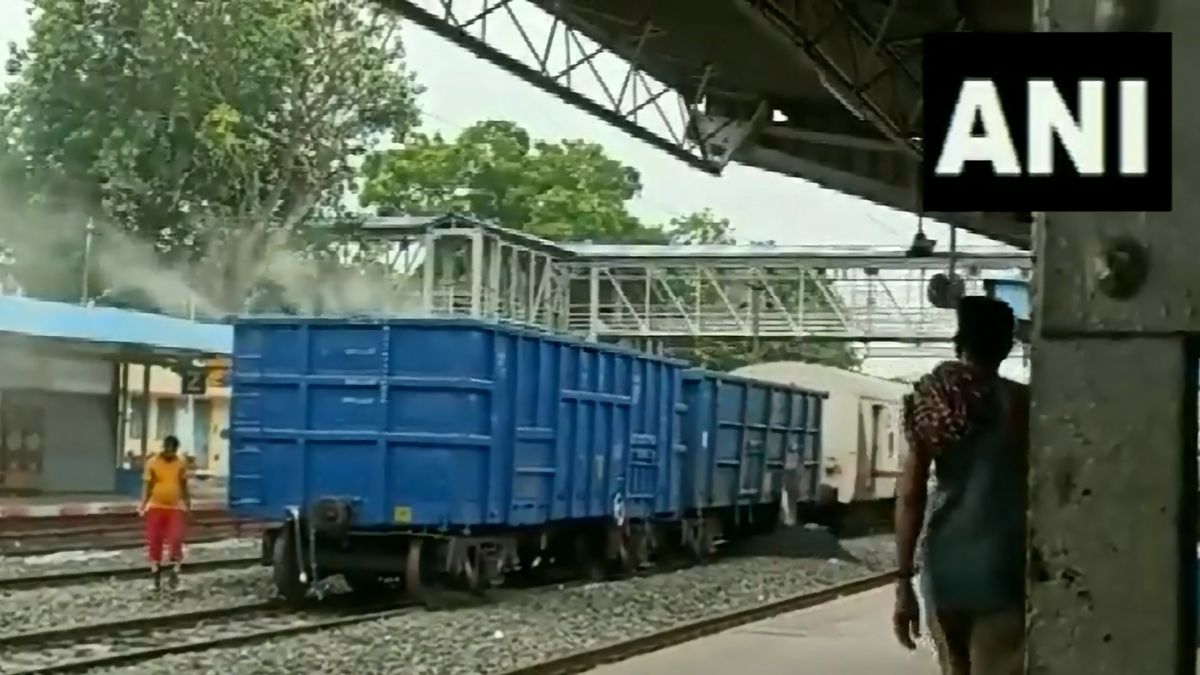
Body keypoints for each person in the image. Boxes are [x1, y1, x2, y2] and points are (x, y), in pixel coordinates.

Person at [892, 296, 1029, 675]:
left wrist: (903, 581)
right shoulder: (1022, 405)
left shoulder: (932, 400)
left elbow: (910, 496)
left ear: (960, 342)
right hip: (1005, 565)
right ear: (1007, 345)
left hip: (945, 567)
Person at [140, 435, 191, 591]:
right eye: (167, 448)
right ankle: (155, 573)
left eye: (172, 449)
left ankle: (175, 570)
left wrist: (188, 504)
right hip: (156, 506)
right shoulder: (152, 462)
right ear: (164, 447)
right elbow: (147, 485)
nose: (169, 451)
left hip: (176, 507)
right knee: (155, 539)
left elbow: (183, 485)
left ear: (175, 449)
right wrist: (143, 505)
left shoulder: (181, 463)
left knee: (176, 538)